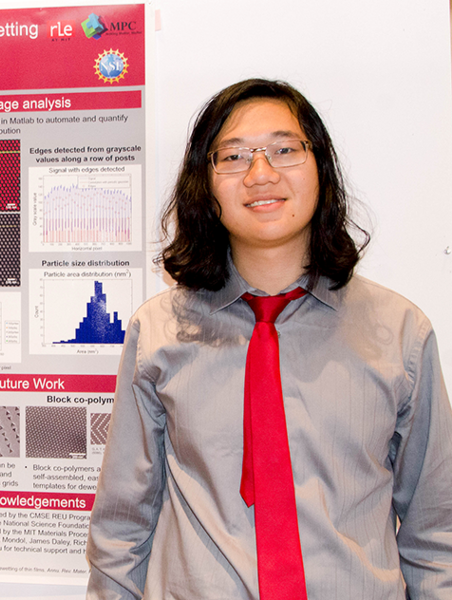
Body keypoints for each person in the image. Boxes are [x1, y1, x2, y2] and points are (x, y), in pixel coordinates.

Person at [85, 79, 452, 599]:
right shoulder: (159, 333)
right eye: (233, 156)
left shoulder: (399, 333)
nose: (261, 173)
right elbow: (122, 529)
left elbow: (436, 533)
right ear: (204, 185)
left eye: (285, 149)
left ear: (320, 167)